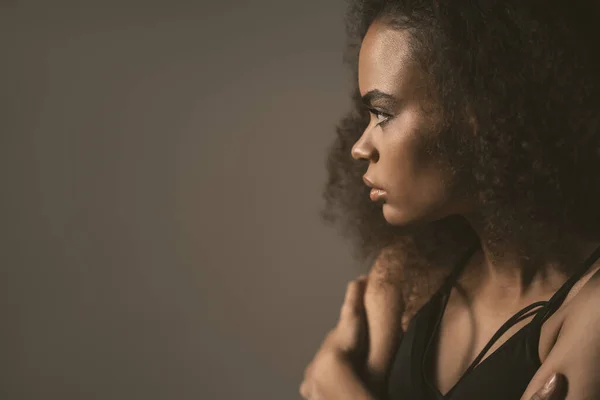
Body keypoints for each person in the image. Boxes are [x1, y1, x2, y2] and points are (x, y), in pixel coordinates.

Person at [300, 1, 600, 399]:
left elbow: (323, 384)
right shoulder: (408, 277)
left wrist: (339, 387)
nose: (359, 146)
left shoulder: (590, 310)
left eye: (383, 113)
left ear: (478, 114)